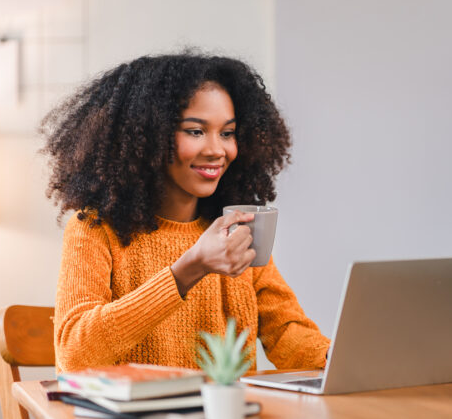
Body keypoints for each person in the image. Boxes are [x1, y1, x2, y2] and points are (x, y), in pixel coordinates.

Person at [42, 52, 330, 373]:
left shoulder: (234, 229)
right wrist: (188, 269)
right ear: (147, 136)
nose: (217, 150)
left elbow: (285, 330)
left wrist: (340, 361)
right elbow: (74, 353)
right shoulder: (94, 229)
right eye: (195, 131)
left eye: (227, 133)